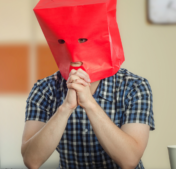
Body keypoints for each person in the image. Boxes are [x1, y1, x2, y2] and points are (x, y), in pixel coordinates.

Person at [21, 0, 155, 169]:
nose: (74, 52)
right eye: (62, 41)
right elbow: (31, 160)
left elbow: (129, 160)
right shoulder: (44, 89)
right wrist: (66, 108)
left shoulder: (135, 87)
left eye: (83, 39)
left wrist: (89, 103)